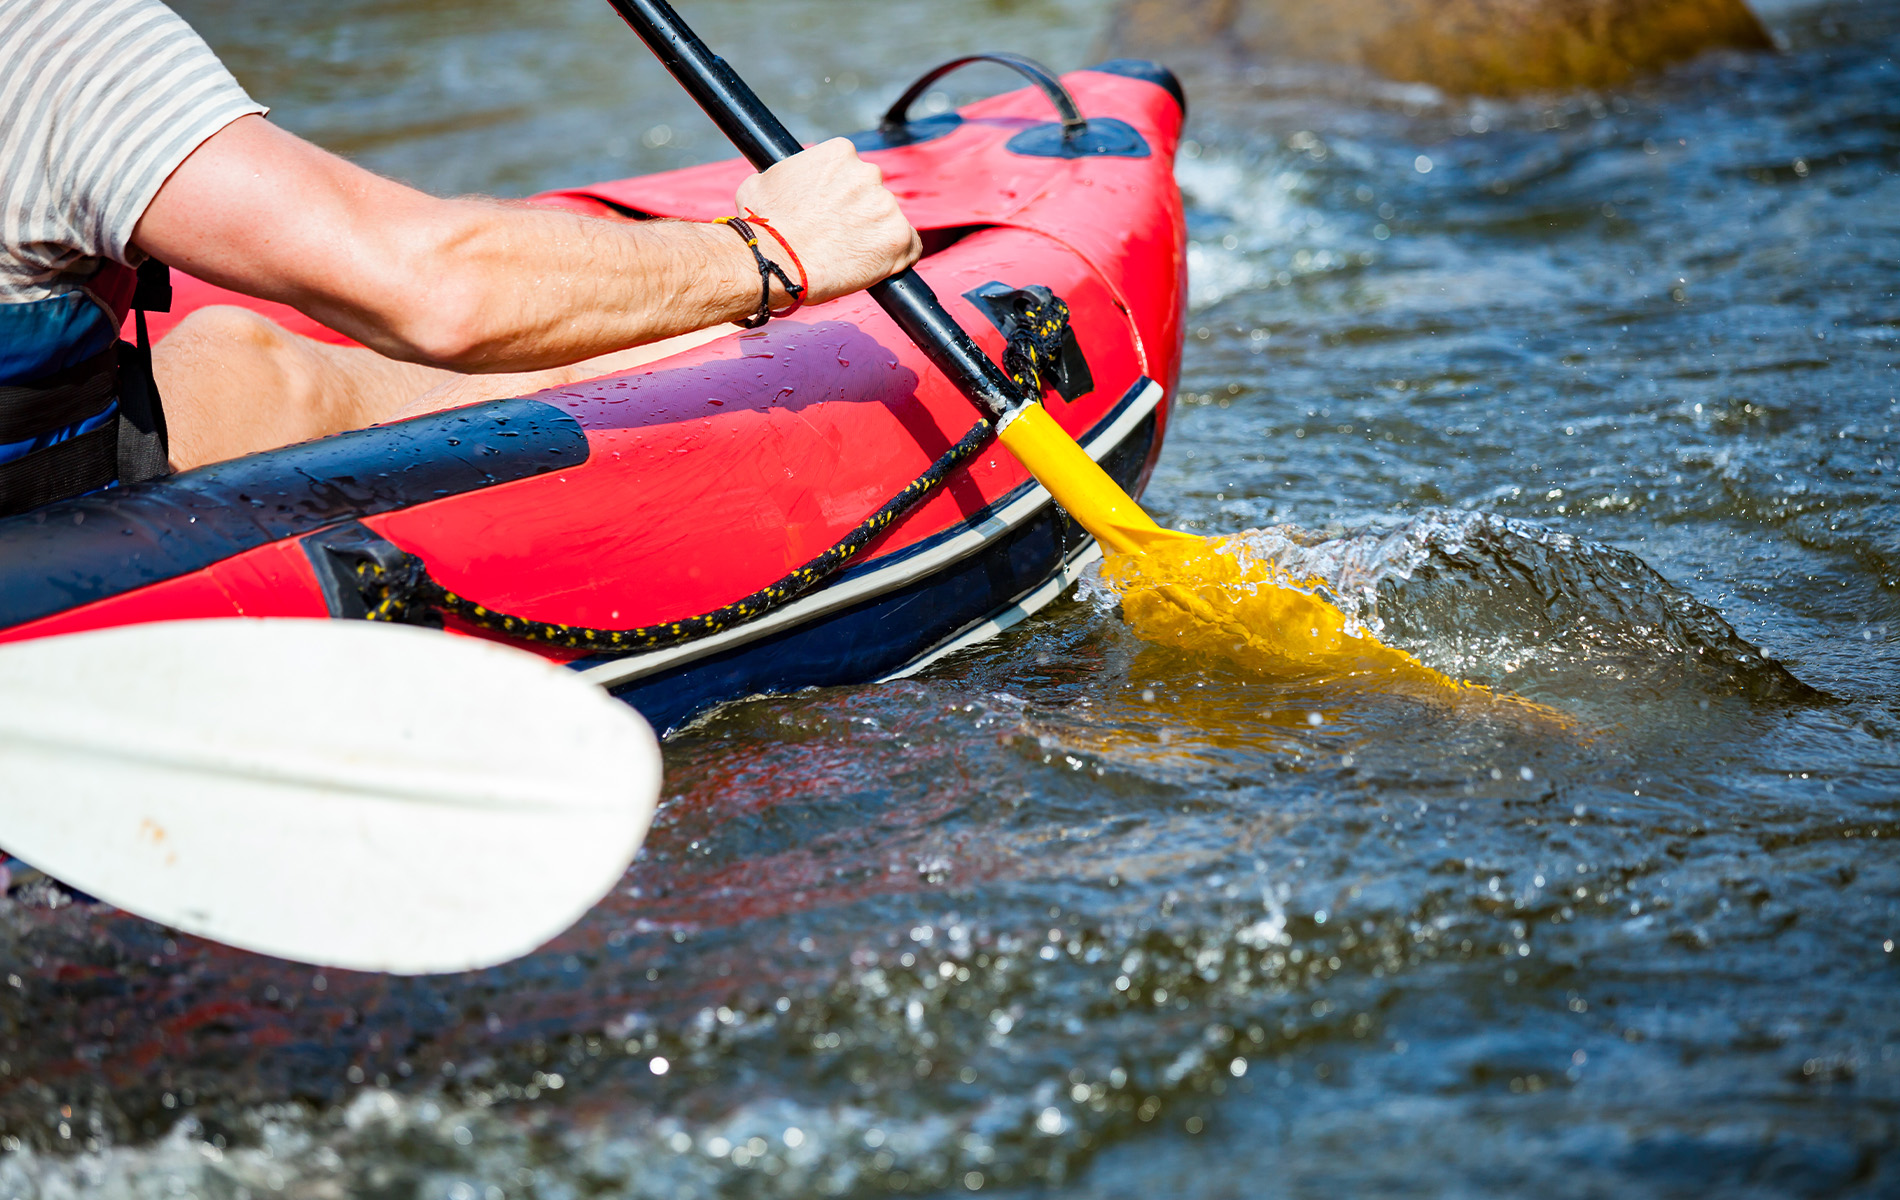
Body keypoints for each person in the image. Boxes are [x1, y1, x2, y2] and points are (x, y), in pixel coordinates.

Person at [0, 0, 921, 514]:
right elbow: (441, 294)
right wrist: (768, 255)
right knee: (606, 363)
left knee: (243, 353)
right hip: (56, 566)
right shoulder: (49, 37)